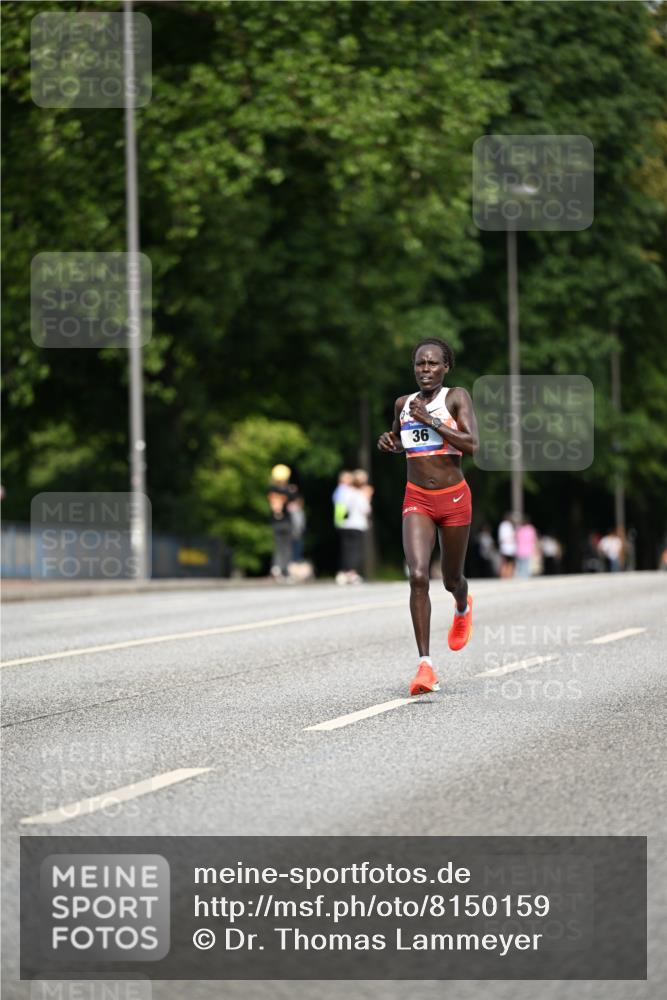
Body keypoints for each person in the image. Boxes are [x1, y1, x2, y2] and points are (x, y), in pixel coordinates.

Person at [377, 337, 478, 695]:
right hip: (417, 498)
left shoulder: (456, 397)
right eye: (420, 364)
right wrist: (390, 443)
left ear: (446, 366)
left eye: (434, 364)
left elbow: (471, 444)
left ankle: (463, 606)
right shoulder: (403, 404)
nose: (426, 370)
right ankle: (425, 666)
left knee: (451, 579)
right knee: (418, 575)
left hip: (453, 500)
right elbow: (402, 438)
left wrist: (432, 421)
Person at [336, 469, 372, 584]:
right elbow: (366, 509)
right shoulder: (361, 494)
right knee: (355, 550)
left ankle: (344, 572)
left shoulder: (345, 492)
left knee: (346, 549)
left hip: (345, 524)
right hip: (357, 524)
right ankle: (352, 573)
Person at [497, 513, 516, 578]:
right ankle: (508, 575)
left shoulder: (502, 525)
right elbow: (512, 536)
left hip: (504, 547)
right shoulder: (509, 525)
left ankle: (504, 575)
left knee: (504, 562)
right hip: (509, 547)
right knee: (509, 562)